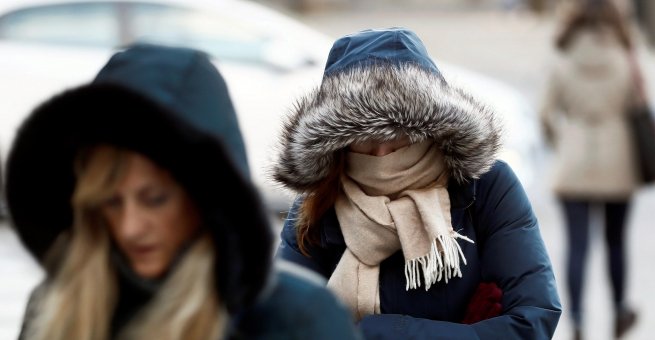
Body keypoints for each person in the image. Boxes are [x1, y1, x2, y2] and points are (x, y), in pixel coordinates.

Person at [7, 43, 360, 340]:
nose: (130, 226)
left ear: (207, 197)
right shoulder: (55, 307)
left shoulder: (290, 318)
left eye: (154, 199)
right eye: (111, 201)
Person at [272, 27, 561, 339]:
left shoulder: (486, 186)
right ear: (338, 144)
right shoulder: (319, 203)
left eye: (399, 134)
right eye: (364, 138)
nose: (383, 153)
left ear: (431, 128)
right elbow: (278, 323)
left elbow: (533, 320)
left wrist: (386, 332)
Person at [540, 1, 642, 339]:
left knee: (577, 246)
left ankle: (579, 320)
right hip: (619, 159)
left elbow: (545, 113)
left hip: (574, 160)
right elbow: (639, 106)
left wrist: (563, 142)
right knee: (616, 242)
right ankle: (618, 311)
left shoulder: (563, 54)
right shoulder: (625, 55)